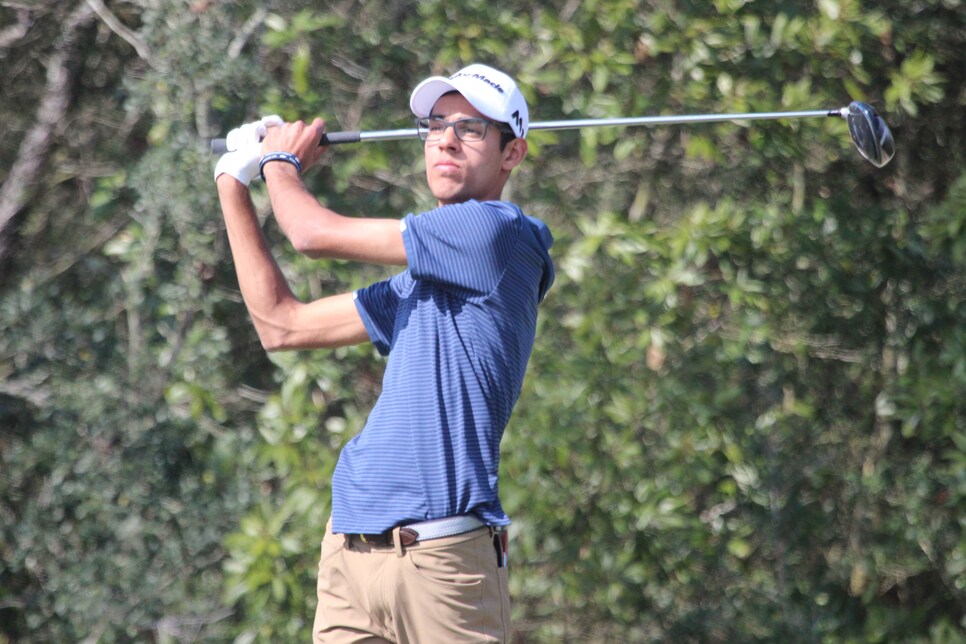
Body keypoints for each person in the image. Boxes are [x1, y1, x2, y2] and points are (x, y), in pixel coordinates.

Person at [214, 63, 555, 643]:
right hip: (351, 550)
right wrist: (232, 180)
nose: (445, 138)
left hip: (443, 561)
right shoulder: (421, 282)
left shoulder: (497, 234)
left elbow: (312, 235)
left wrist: (280, 161)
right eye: (436, 125)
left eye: (471, 129)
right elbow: (283, 326)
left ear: (511, 154)